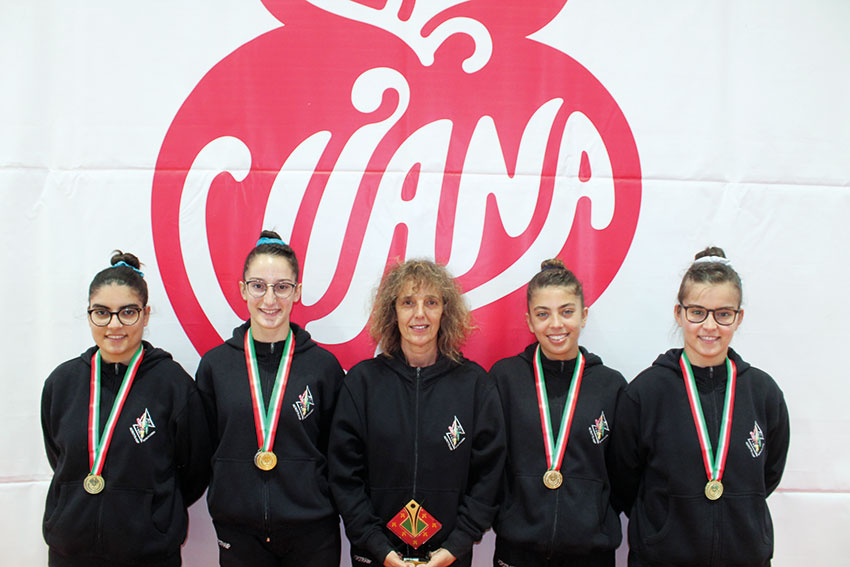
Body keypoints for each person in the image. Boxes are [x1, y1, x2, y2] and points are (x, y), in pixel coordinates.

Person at [610, 247, 791, 566]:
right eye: (697, 312)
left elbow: (768, 474)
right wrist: (664, 529)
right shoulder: (646, 393)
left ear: (738, 318)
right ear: (679, 313)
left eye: (723, 314)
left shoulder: (763, 393)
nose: (710, 326)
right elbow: (624, 481)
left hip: (744, 557)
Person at [329, 259, 506, 567]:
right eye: (408, 302)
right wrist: (378, 547)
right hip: (376, 556)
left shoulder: (475, 385)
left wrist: (456, 546)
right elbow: (345, 476)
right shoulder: (362, 383)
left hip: (448, 558)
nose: (420, 313)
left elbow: (489, 477)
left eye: (431, 302)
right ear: (392, 311)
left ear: (445, 311)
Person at [41, 251, 211, 567]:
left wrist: (152, 514)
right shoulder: (61, 383)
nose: (114, 324)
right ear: (89, 314)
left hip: (149, 553)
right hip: (71, 552)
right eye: (102, 313)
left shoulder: (173, 385)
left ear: (145, 315)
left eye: (128, 312)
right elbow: (58, 457)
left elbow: (194, 470)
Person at [196, 230, 345, 566]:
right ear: (242, 289)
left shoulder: (323, 367)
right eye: (258, 286)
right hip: (239, 532)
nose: (269, 299)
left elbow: (340, 453)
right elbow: (201, 450)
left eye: (282, 287)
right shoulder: (216, 366)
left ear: (297, 292)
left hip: (312, 532)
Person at [489, 258, 626, 567]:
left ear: (584, 315)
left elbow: (623, 473)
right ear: (529, 321)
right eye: (543, 314)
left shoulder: (610, 385)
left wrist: (593, 517)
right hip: (518, 550)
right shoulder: (504, 378)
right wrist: (509, 514)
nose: (556, 324)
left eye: (567, 312)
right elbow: (489, 461)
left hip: (591, 554)